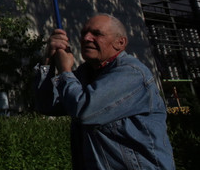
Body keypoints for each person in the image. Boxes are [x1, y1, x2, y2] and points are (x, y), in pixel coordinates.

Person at [34, 14, 175, 170]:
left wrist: (65, 71)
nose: (86, 38)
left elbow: (83, 110)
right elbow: (46, 105)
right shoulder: (86, 73)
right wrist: (48, 61)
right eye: (84, 33)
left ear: (120, 42)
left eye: (97, 33)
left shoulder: (131, 73)